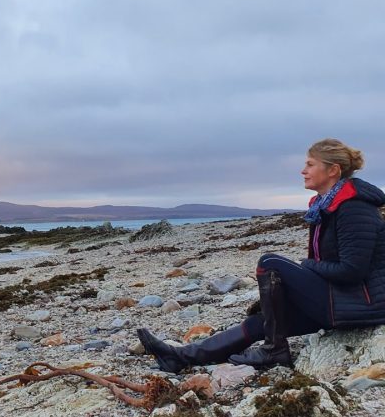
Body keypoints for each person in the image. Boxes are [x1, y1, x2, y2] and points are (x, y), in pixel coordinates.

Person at [137, 138, 385, 372]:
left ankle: (275, 350)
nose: (303, 170)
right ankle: (180, 357)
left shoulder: (354, 208)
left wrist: (307, 267)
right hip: (342, 300)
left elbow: (352, 271)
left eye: (310, 164)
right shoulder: (325, 208)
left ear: (333, 170)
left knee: (270, 262)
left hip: (362, 306)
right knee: (264, 321)